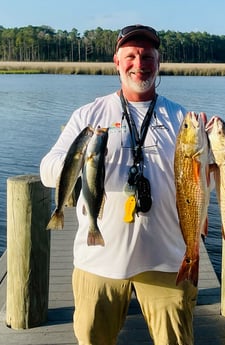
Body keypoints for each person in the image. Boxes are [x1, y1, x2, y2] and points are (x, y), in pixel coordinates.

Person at [39, 24, 197, 345]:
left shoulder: (182, 118)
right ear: (117, 61)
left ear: (158, 61)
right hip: (99, 259)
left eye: (147, 56)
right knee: (93, 338)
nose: (139, 63)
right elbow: (47, 170)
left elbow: (203, 178)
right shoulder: (89, 115)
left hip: (167, 261)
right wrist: (80, 162)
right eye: (131, 56)